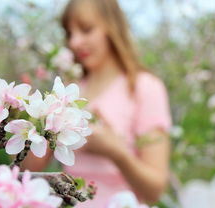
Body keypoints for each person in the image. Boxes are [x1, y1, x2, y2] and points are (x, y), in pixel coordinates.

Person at [22, 0, 172, 207]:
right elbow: (28, 171)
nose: (74, 42)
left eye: (86, 29)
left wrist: (116, 152)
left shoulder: (144, 87)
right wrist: (39, 119)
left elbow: (155, 189)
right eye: (69, 33)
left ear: (112, 27)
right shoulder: (68, 90)